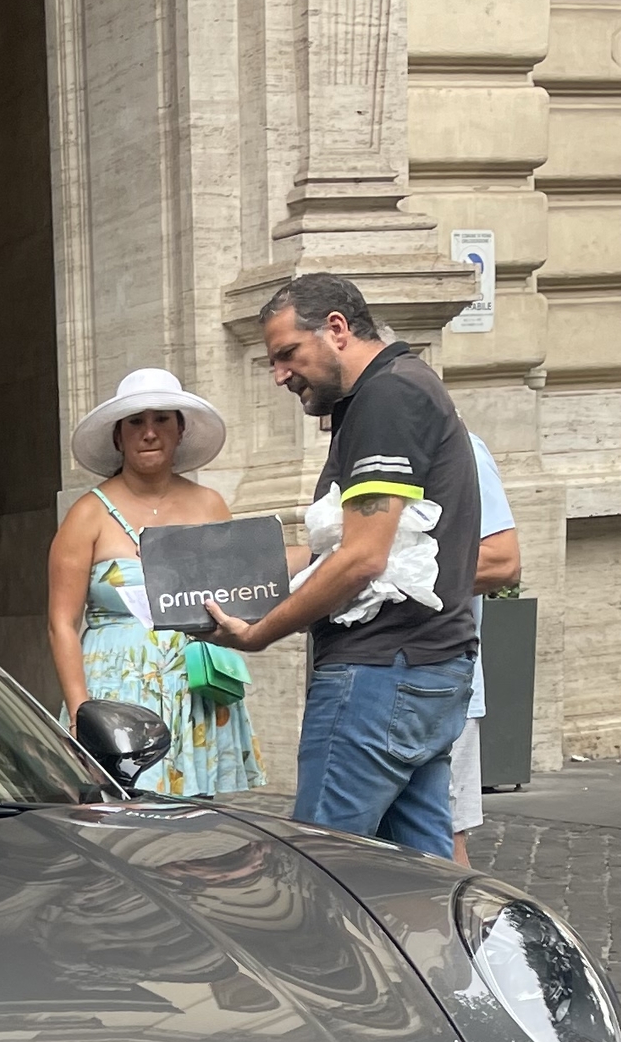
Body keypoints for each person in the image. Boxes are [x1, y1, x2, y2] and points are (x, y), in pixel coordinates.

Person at [204, 275, 478, 857]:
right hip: (426, 670)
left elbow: (361, 559)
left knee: (325, 871)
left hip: (380, 675)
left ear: (335, 329)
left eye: (287, 355)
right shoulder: (403, 386)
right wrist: (210, 572)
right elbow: (349, 550)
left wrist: (258, 634)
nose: (279, 374)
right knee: (421, 877)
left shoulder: (386, 398)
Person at [48, 365, 262, 800]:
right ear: (118, 435)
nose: (149, 432)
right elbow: (61, 624)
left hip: (195, 690)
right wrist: (79, 713)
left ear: (180, 430)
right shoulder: (88, 514)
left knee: (200, 831)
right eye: (136, 422)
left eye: (162, 419)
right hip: (116, 693)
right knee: (120, 820)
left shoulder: (209, 505)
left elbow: (239, 592)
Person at [450, 437, 523, 866]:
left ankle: (458, 933)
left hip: (439, 683)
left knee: (442, 833)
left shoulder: (460, 448)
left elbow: (501, 562)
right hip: (367, 678)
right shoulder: (359, 441)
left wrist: (368, 567)